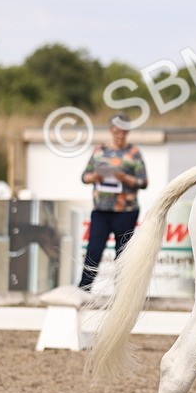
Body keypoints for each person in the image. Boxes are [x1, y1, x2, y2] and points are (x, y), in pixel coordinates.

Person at [78, 115, 148, 291]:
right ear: (111, 130)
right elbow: (84, 177)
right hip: (101, 210)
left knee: (123, 253)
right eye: (117, 131)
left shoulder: (134, 153)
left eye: (124, 131)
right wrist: (95, 177)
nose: (120, 135)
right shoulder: (100, 151)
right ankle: (84, 289)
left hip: (125, 212)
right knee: (94, 250)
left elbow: (143, 182)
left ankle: (122, 292)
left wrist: (125, 178)